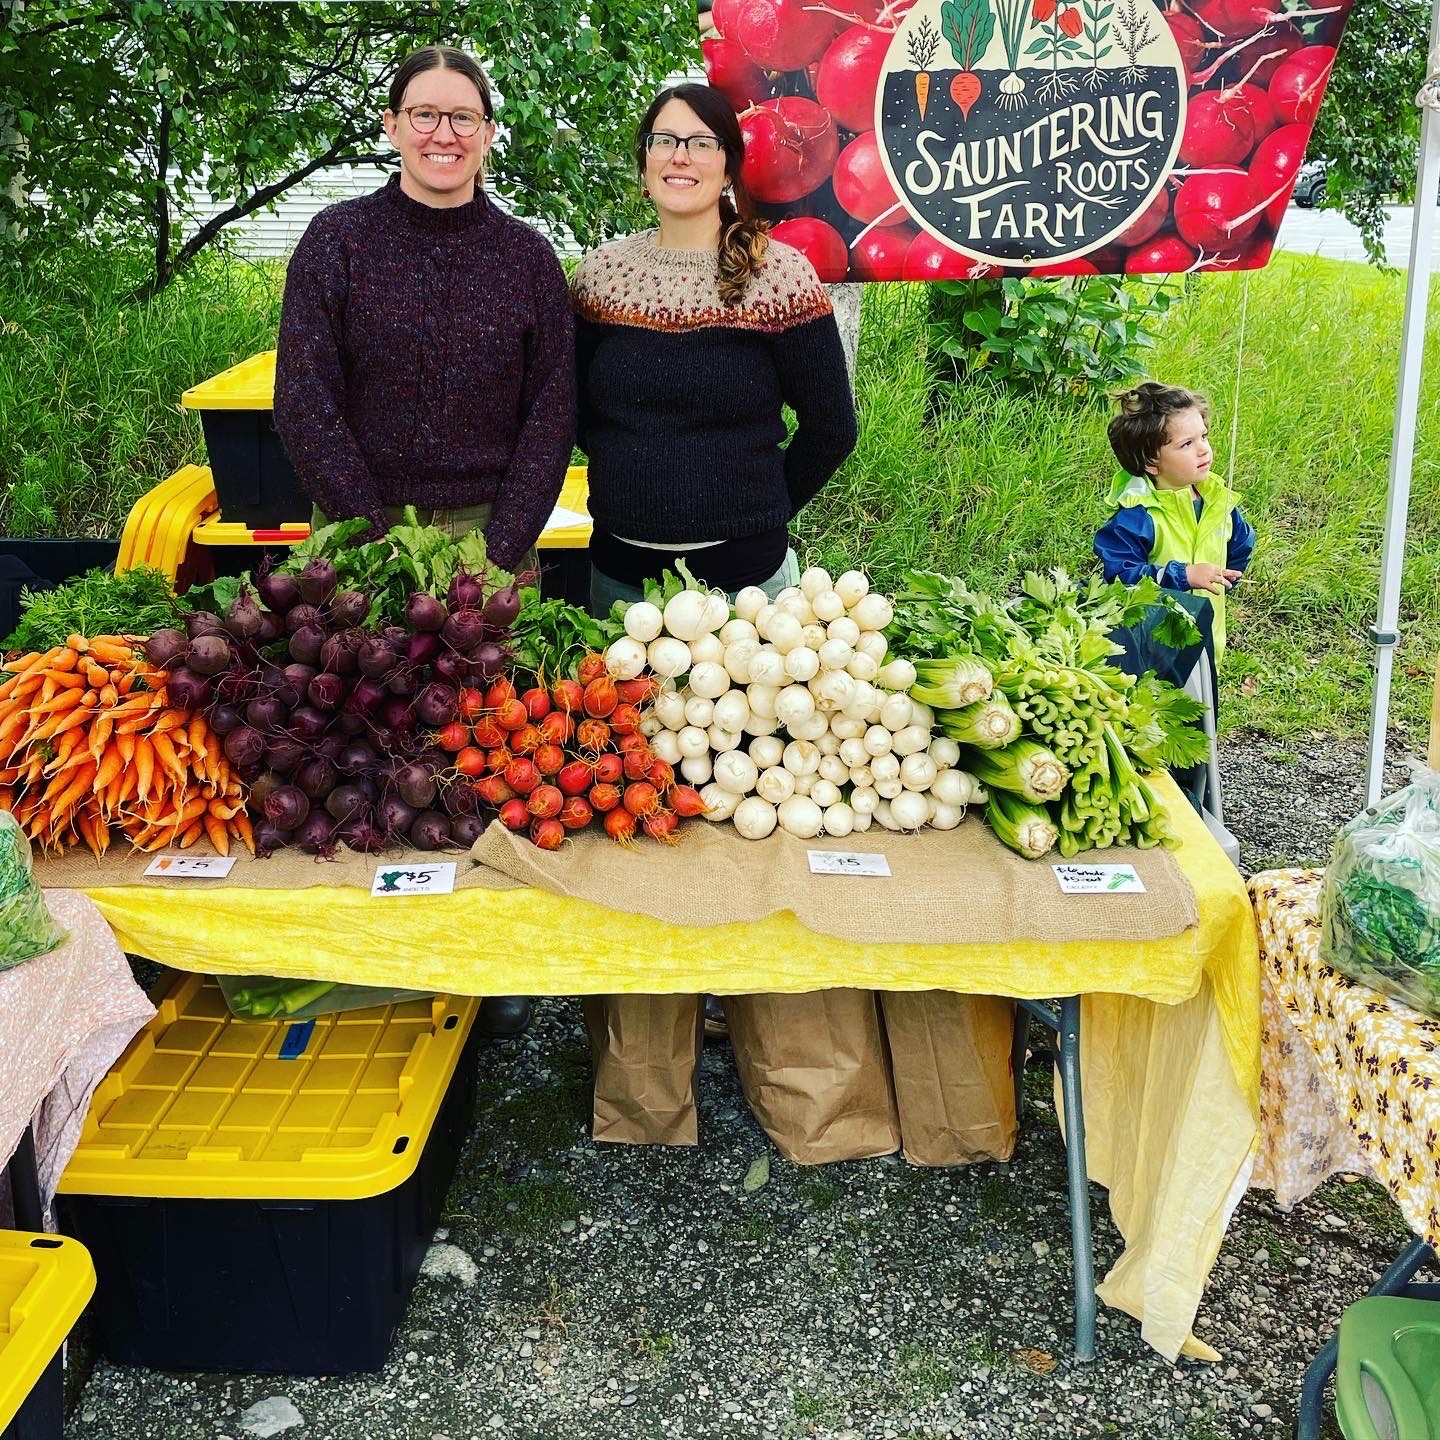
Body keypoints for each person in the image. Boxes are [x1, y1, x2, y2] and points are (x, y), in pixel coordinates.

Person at [274, 44, 576, 1039]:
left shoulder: (527, 258)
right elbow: (304, 400)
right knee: (359, 756)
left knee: (477, 759)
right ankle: (364, 977)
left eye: (463, 117)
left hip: (490, 540)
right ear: (395, 126)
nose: (444, 133)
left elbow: (552, 411)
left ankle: (482, 989)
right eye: (425, 114)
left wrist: (499, 546)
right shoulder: (337, 242)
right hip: (362, 546)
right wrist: (372, 543)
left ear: (489, 133)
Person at [570, 81, 858, 619]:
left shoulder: (779, 275)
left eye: (702, 142)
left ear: (729, 166)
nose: (680, 156)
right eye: (665, 140)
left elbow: (832, 426)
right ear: (645, 161)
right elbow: (578, 414)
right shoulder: (600, 277)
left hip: (748, 592)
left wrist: (759, 514)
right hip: (618, 580)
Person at [1095, 381, 1255, 661]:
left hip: (1206, 643)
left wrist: (1226, 577)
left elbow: (1241, 544)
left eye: (1203, 437)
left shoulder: (1218, 501)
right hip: (1148, 652)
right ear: (1151, 462)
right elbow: (1120, 577)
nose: (1203, 449)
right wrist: (1184, 576)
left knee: (1200, 702)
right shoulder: (1138, 516)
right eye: (1186, 444)